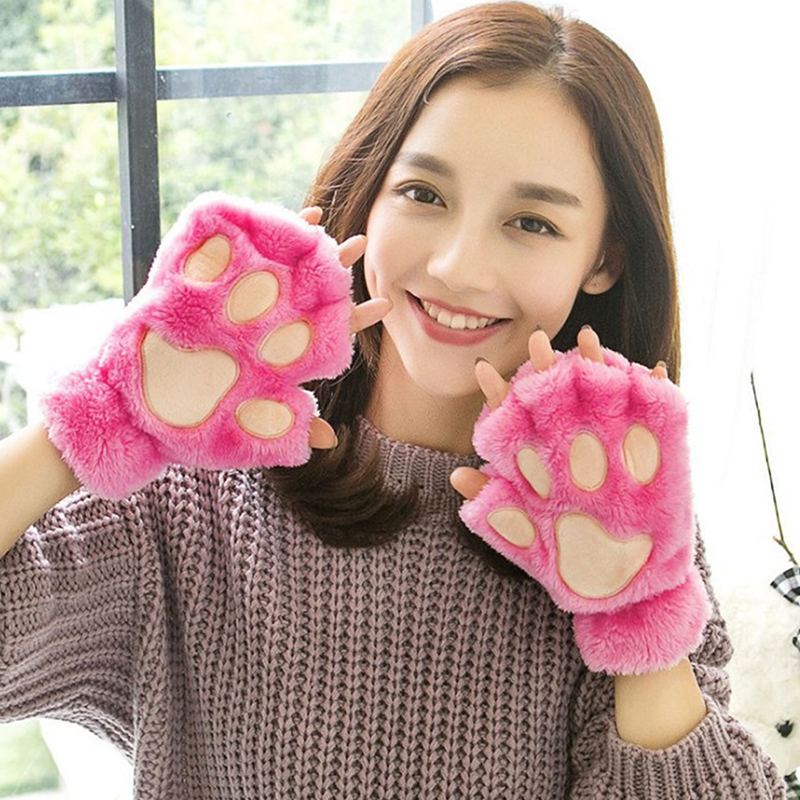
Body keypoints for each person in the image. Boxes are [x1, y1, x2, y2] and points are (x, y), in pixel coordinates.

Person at [0, 2, 787, 797]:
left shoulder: (613, 520)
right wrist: (101, 418)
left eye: (531, 221)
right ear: (369, 193)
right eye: (424, 193)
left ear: (605, 258)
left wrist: (636, 621)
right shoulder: (203, 488)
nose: (457, 266)